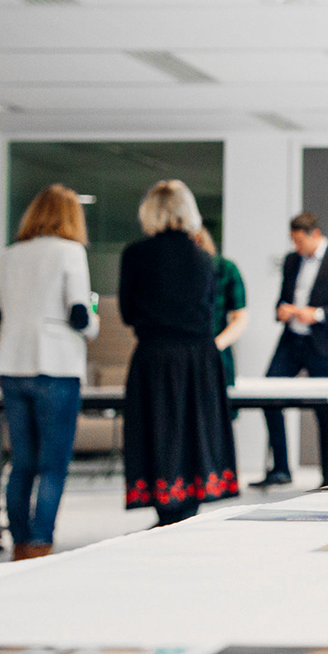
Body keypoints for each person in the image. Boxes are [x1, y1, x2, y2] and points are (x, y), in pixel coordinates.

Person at [0, 184, 99, 560]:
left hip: (12, 365)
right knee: (53, 464)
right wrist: (93, 324)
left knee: (22, 463)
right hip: (56, 364)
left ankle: (19, 543)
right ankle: (40, 542)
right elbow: (80, 314)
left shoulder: (9, 254)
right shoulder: (71, 252)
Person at [118, 180, 238, 525]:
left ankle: (166, 513)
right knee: (194, 433)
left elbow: (127, 313)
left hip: (155, 356)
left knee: (157, 431)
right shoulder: (203, 257)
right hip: (199, 358)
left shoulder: (136, 255)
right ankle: (187, 513)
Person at [257, 213, 328, 487]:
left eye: (299, 240)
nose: (296, 246)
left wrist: (316, 314)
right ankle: (280, 469)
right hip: (292, 340)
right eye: (292, 241)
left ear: (314, 234)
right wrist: (282, 309)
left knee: (323, 407)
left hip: (321, 344)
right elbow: (284, 295)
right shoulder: (292, 261)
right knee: (267, 396)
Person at [193, 228, 248, 390]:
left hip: (216, 352)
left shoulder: (226, 269)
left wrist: (215, 345)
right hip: (185, 356)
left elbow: (240, 318)